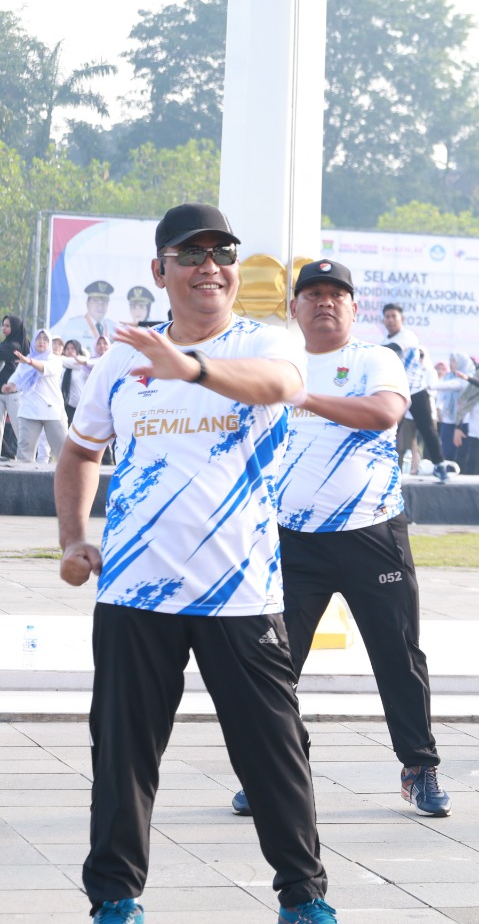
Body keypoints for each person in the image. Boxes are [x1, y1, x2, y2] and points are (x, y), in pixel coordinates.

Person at [54, 202, 335, 924]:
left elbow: (281, 389)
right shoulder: (123, 357)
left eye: (222, 253)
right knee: (122, 756)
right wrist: (73, 537)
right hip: (135, 591)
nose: (210, 266)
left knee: (273, 755)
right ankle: (114, 897)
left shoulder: (267, 342)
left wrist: (192, 367)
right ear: (160, 270)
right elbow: (82, 450)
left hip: (240, 592)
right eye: (192, 254)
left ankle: (303, 899)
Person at [230, 258, 450, 820]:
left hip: (371, 533)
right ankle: (274, 772)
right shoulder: (274, 361)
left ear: (354, 308)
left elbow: (383, 414)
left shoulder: (375, 358)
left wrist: (302, 398)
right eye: (313, 294)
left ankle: (419, 767)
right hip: (293, 539)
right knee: (272, 663)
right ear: (294, 306)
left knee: (397, 656)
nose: (325, 302)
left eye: (337, 294)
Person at [381, 303, 448, 481]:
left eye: (393, 316)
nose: (390, 320)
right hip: (397, 393)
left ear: (401, 319)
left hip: (417, 390)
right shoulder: (383, 343)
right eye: (387, 317)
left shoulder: (407, 336)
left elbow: (393, 349)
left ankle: (440, 465)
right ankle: (386, 470)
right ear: (383, 320)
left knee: (428, 430)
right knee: (390, 432)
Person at [5, 329, 68, 462]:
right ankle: (23, 483)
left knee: (64, 453)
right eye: (38, 339)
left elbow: (44, 368)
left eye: (45, 339)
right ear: (33, 341)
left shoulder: (55, 360)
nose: (41, 341)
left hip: (52, 412)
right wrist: (10, 385)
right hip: (29, 411)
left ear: (49, 343)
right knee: (24, 455)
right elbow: (17, 377)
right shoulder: (25, 361)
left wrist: (29, 362)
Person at [52, 278, 114, 346]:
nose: (100, 306)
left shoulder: (113, 327)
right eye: (96, 301)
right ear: (87, 303)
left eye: (104, 302)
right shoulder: (73, 325)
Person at [0, 313, 28, 459]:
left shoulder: (15, 346)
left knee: (19, 428)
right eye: (3, 325)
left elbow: (4, 352)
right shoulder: (5, 344)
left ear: (15, 328)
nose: (4, 328)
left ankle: (27, 456)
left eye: (7, 325)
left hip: (14, 394)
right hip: (0, 393)